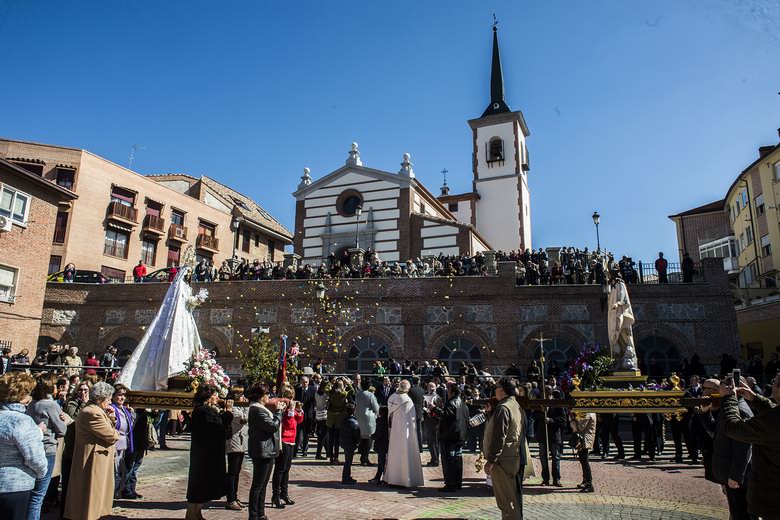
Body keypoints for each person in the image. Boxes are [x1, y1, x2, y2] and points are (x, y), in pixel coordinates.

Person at [721, 376, 780, 520]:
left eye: (774, 382)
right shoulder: (773, 418)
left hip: (774, 497)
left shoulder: (771, 420)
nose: (772, 385)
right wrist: (755, 398)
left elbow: (733, 428)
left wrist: (729, 400)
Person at [63, 381, 120, 520]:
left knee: (96, 494)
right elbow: (111, 435)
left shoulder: (97, 410)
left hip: (98, 456)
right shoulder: (93, 412)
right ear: (100, 398)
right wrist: (116, 432)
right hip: (94, 459)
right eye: (108, 399)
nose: (109, 402)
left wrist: (111, 417)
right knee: (91, 494)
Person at [0, 372, 48, 520]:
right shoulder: (21, 421)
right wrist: (41, 473)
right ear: (22, 395)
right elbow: (36, 459)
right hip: (15, 486)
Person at [185, 386, 233, 520]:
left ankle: (197, 512)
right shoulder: (203, 411)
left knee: (203, 484)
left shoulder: (204, 410)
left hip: (206, 451)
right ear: (208, 396)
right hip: (204, 453)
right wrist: (228, 413)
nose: (217, 398)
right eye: (215, 395)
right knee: (199, 483)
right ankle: (191, 514)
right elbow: (218, 425)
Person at [708, 378, 753, 520]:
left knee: (742, 514)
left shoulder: (740, 410)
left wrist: (736, 475)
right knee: (735, 513)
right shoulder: (728, 406)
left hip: (737, 478)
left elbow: (744, 447)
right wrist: (705, 414)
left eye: (717, 389)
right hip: (729, 473)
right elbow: (718, 433)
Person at [26, 373, 68, 520]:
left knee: (31, 492)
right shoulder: (51, 405)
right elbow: (62, 430)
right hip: (47, 449)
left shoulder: (32, 403)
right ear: (51, 387)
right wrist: (64, 419)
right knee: (38, 495)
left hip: (32, 448)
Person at [483, 377, 523, 520]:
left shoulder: (503, 407)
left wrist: (491, 460)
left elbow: (499, 436)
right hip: (512, 456)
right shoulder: (515, 405)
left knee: (506, 501)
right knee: (510, 498)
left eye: (496, 388)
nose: (494, 391)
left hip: (502, 460)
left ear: (501, 390)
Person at [247, 384, 283, 520]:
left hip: (268, 449)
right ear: (260, 396)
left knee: (263, 485)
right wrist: (278, 413)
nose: (269, 396)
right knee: (257, 485)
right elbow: (272, 426)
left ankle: (260, 513)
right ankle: (253, 515)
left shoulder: (261, 409)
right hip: (262, 450)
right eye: (267, 394)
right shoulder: (257, 410)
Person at [385, 380, 424, 488]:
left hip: (394, 432)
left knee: (394, 454)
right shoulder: (407, 400)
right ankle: (405, 480)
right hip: (406, 433)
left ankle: (393, 479)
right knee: (405, 454)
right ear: (407, 388)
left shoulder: (392, 397)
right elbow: (411, 419)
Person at [60, 381, 91, 518]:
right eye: (80, 390)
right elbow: (76, 419)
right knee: (68, 483)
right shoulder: (71, 403)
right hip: (71, 447)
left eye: (86, 390)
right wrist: (84, 403)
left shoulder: (92, 404)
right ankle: (65, 513)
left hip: (84, 447)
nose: (83, 393)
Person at [431, 382, 469, 492]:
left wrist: (434, 408)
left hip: (449, 437)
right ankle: (457, 482)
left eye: (448, 391)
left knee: (449, 460)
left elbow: (445, 415)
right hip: (459, 437)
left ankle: (450, 484)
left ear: (452, 392)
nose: (447, 393)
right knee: (457, 460)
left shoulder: (451, 403)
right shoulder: (463, 403)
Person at [271, 387, 302, 509]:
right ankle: (276, 496)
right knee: (280, 469)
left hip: (292, 440)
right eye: (289, 397)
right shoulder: (281, 408)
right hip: (283, 439)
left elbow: (299, 420)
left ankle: (284, 493)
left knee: (287, 468)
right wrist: (290, 411)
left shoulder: (291, 408)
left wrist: (298, 411)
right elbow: (288, 423)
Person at [535, 388, 566, 486]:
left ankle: (556, 478)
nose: (545, 394)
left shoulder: (556, 403)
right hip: (542, 433)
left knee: (555, 456)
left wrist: (551, 420)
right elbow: (534, 416)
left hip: (553, 434)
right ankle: (545, 478)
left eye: (548, 392)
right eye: (544, 392)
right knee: (543, 457)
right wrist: (541, 412)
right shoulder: (540, 403)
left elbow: (563, 418)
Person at [225, 386, 249, 511]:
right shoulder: (233, 407)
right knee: (232, 471)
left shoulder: (242, 406)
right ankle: (230, 499)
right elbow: (243, 419)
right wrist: (247, 408)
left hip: (242, 440)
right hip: (234, 440)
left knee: (237, 470)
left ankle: (235, 496)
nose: (244, 397)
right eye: (241, 395)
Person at [109, 384, 134, 499]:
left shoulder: (124, 409)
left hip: (124, 444)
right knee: (114, 472)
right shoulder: (111, 408)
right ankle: (111, 495)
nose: (122, 398)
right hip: (115, 443)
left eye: (124, 395)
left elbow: (129, 425)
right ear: (113, 396)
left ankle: (115, 493)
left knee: (120, 471)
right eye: (119, 395)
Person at [570, 411, 597, 493]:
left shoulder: (587, 413)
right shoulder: (586, 412)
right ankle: (585, 480)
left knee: (584, 461)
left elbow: (580, 427)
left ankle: (589, 483)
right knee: (582, 460)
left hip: (584, 439)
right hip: (583, 439)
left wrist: (573, 419)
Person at [355, 379, 379, 466]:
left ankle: (363, 457)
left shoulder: (358, 393)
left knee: (363, 438)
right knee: (369, 439)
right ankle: (365, 458)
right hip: (369, 418)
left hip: (359, 417)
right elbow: (376, 408)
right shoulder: (370, 395)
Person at [325, 378, 349, 464]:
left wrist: (330, 381)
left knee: (330, 438)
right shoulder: (344, 393)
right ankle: (336, 457)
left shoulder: (331, 392)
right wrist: (347, 382)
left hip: (331, 416)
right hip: (340, 416)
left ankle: (330, 456)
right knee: (337, 439)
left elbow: (325, 389)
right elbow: (352, 391)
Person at [422, 381, 443, 467]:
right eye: (430, 387)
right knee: (432, 442)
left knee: (433, 442)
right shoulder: (427, 396)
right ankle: (434, 459)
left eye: (432, 387)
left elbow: (439, 410)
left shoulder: (437, 397)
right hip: (429, 421)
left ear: (435, 388)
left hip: (434, 422)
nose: (431, 389)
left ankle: (435, 460)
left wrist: (430, 412)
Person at [339, 403, 361, 484]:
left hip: (344, 442)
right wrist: (357, 443)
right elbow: (357, 435)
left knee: (347, 460)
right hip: (351, 443)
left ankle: (347, 476)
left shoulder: (343, 420)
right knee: (348, 462)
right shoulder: (354, 422)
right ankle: (345, 478)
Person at [369, 406, 389, 485]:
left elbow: (379, 433)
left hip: (381, 444)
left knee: (382, 462)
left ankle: (385, 479)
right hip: (386, 443)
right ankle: (377, 477)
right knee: (381, 462)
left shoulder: (381, 421)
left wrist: (372, 436)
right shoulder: (388, 421)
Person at [313, 381, 329, 460]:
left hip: (318, 414)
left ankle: (328, 452)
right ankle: (318, 454)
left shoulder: (316, 393)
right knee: (323, 435)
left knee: (323, 434)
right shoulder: (325, 395)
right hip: (324, 414)